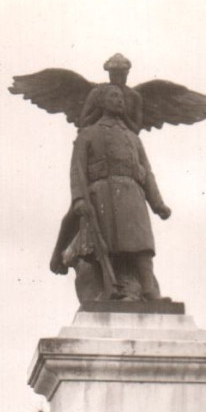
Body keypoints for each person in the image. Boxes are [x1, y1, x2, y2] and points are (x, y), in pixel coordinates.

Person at [50, 83, 171, 303]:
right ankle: (111, 289)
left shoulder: (133, 138)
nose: (120, 100)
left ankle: (149, 290)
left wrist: (158, 204)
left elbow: (147, 171)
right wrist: (79, 198)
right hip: (102, 194)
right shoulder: (88, 134)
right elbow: (77, 170)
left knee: (142, 243)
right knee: (111, 245)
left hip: (133, 193)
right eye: (114, 96)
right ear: (102, 102)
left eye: (121, 98)